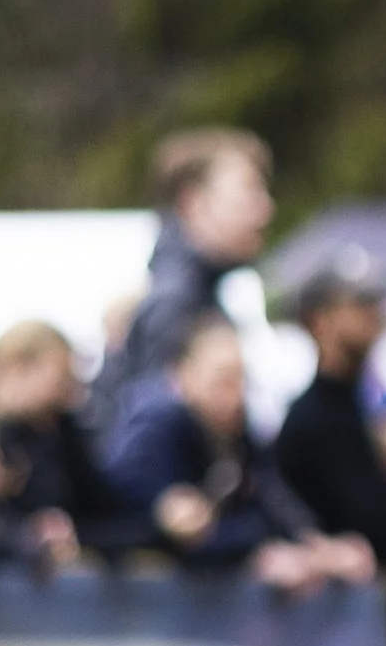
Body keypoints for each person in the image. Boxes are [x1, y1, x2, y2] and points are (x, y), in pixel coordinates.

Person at [102, 310, 372, 586]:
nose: (236, 395)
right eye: (224, 380)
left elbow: (273, 500)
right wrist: (253, 551)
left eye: (242, 379)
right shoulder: (154, 434)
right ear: (182, 375)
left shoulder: (240, 439)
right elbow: (169, 529)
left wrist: (316, 546)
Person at [273, 249, 386, 570]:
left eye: (380, 301)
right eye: (362, 302)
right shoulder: (312, 420)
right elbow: (370, 532)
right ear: (321, 319)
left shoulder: (363, 407)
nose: (378, 313)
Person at [92, 127, 275, 428]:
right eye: (249, 191)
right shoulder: (176, 303)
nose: (265, 209)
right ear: (193, 202)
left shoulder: (199, 291)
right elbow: (150, 438)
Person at [0, 320, 140, 564]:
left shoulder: (61, 431)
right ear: (17, 367)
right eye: (61, 378)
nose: (70, 392)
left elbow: (102, 509)